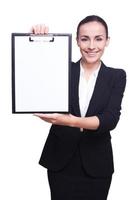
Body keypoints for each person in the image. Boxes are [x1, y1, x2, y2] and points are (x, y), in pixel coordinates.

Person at [32, 15, 126, 200]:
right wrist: (37, 42)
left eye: (98, 38)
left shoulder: (116, 76)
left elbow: (110, 119)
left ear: (107, 41)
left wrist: (70, 121)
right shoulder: (61, 69)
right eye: (85, 39)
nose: (92, 46)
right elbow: (35, 71)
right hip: (60, 160)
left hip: (97, 164)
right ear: (76, 41)